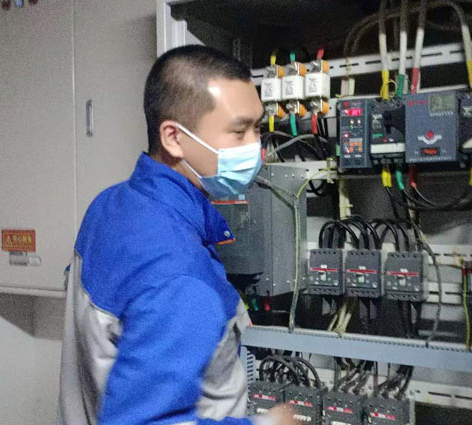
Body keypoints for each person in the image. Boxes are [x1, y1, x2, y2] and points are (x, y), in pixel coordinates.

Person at [58, 45, 297, 425]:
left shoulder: (108, 206)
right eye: (239, 132)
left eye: (258, 129)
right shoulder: (181, 276)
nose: (257, 148)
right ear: (173, 137)